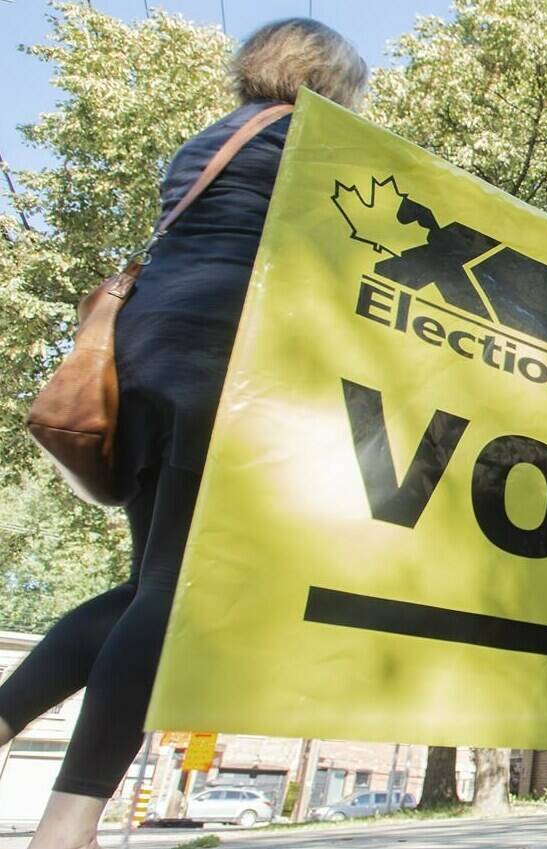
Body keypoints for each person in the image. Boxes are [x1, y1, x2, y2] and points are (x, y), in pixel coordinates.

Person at [0, 20, 367, 849]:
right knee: (181, 592)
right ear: (331, 80)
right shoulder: (318, 142)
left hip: (143, 359)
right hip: (219, 359)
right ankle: (67, 824)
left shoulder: (206, 143)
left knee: (147, 586)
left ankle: (8, 721)